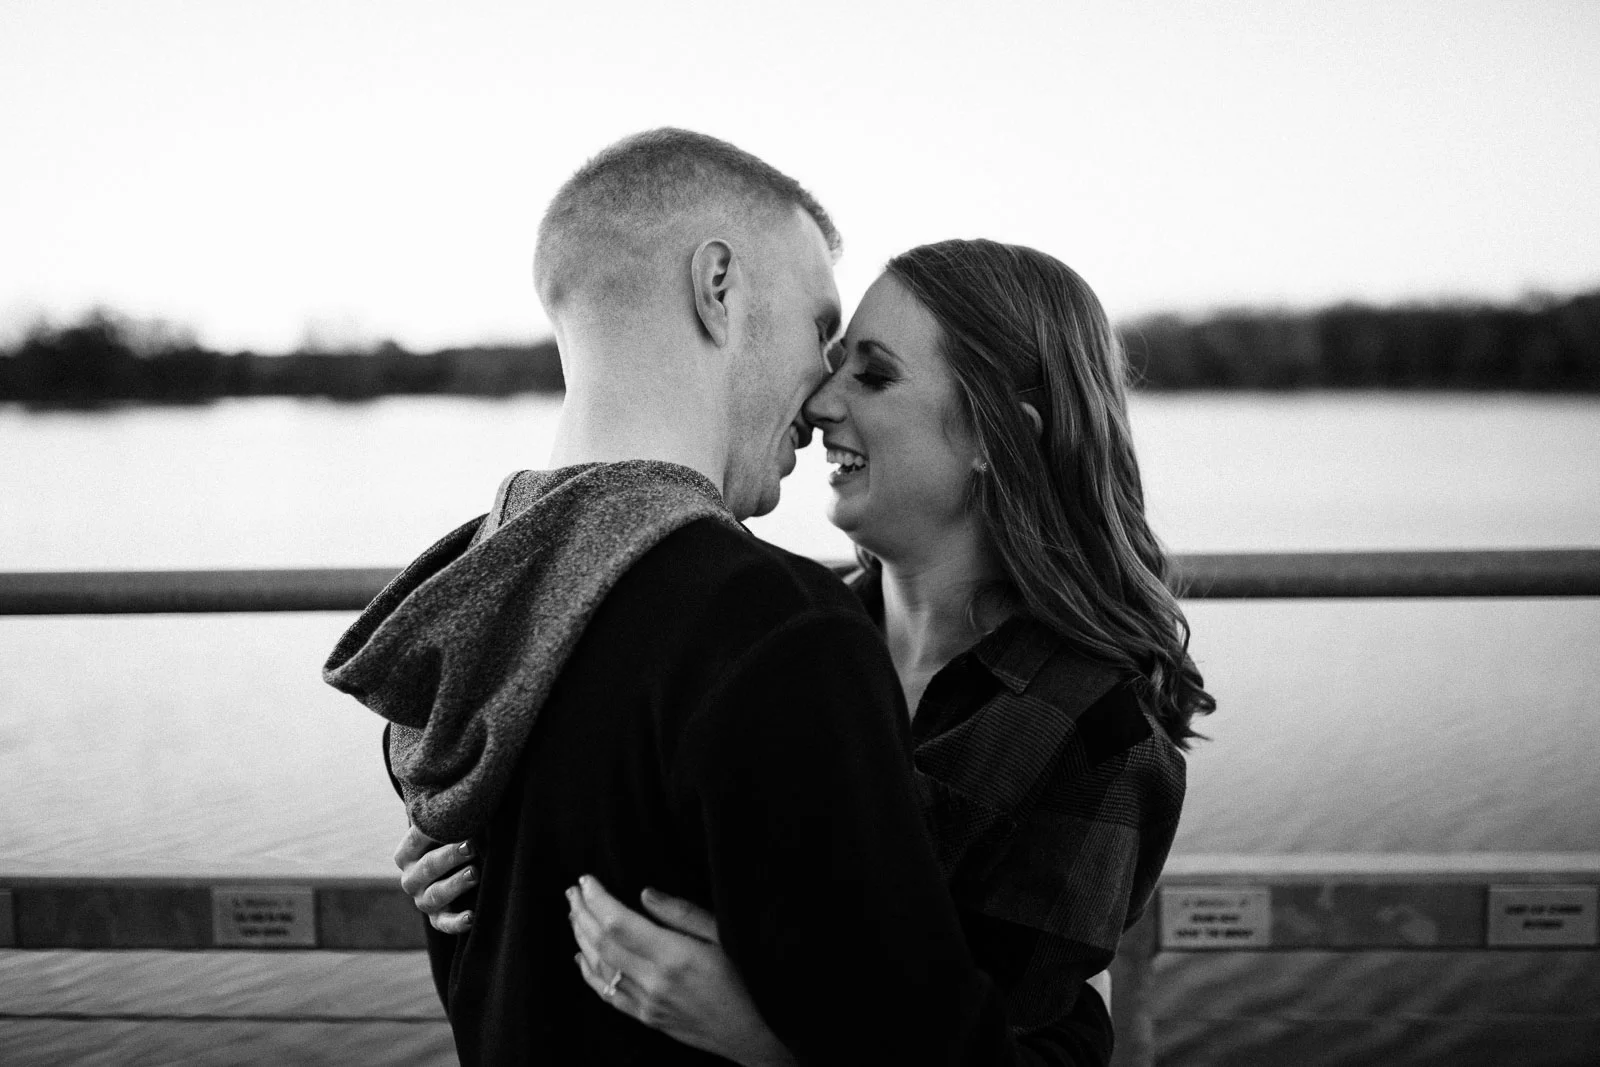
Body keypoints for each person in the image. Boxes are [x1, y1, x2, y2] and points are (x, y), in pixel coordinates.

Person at [327, 129, 1088, 1065]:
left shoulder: (465, 616)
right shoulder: (777, 631)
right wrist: (1076, 1032)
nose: (820, 394)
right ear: (718, 287)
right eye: (820, 330)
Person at [403, 237, 1215, 1065]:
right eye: (832, 363)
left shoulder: (1095, 731)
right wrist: (476, 854)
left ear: (997, 436)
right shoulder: (768, 637)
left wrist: (768, 1043)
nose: (820, 401)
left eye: (873, 375)